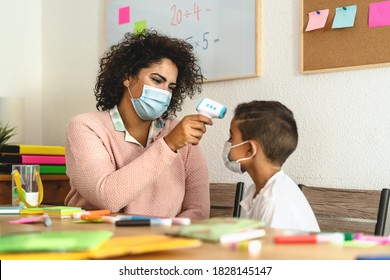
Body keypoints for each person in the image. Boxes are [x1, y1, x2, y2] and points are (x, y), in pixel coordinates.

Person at [65, 30, 212, 219]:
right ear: (128, 76)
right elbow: (107, 197)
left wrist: (164, 237)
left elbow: (198, 210)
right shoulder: (86, 127)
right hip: (102, 243)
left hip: (165, 242)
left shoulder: (181, 134)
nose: (164, 92)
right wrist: (169, 145)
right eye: (157, 80)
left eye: (171, 87)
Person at [223, 100, 320, 232]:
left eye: (231, 136)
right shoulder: (254, 191)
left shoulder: (273, 201)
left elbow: (269, 252)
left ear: (250, 150)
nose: (228, 143)